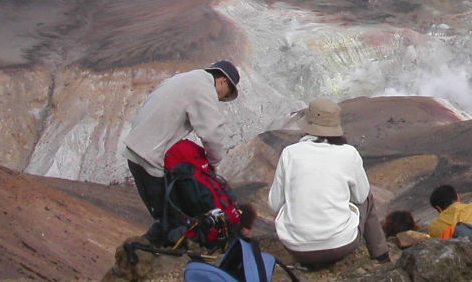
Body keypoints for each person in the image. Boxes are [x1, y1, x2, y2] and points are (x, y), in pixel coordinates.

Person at [121, 60, 241, 245]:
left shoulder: (185, 78)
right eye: (227, 94)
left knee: (171, 215)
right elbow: (211, 131)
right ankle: (152, 258)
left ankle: (153, 252)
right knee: (171, 220)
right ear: (224, 81)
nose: (222, 98)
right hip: (148, 158)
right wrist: (214, 163)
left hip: (140, 149)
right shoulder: (203, 88)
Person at [268, 98, 390, 268]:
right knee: (367, 197)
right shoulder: (348, 153)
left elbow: (275, 204)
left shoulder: (290, 153)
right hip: (340, 245)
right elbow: (361, 196)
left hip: (296, 248)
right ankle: (381, 256)